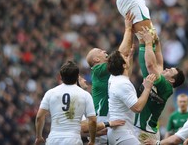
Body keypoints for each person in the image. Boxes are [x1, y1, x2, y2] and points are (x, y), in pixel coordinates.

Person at [85, 12, 134, 144]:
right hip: (102, 116)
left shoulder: (108, 71)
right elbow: (120, 54)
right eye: (101, 51)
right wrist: (128, 29)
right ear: (96, 59)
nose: (105, 51)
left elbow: (125, 74)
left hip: (111, 115)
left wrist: (129, 59)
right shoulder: (97, 70)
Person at [134, 28, 186, 142]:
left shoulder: (166, 86)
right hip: (144, 129)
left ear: (172, 80)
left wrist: (148, 43)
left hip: (145, 131)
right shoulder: (163, 82)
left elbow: (151, 65)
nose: (166, 69)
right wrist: (157, 43)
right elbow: (159, 60)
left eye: (170, 71)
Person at [35, 61, 97, 145]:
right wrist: (92, 141)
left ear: (60, 77)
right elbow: (92, 121)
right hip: (73, 139)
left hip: (54, 139)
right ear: (77, 76)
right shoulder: (85, 95)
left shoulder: (50, 93)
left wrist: (39, 137)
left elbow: (39, 117)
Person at [107, 47, 157, 145]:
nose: (126, 57)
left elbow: (126, 73)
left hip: (119, 131)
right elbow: (137, 108)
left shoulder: (114, 78)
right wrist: (147, 88)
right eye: (124, 57)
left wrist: (130, 57)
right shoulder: (123, 84)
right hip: (122, 132)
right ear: (124, 65)